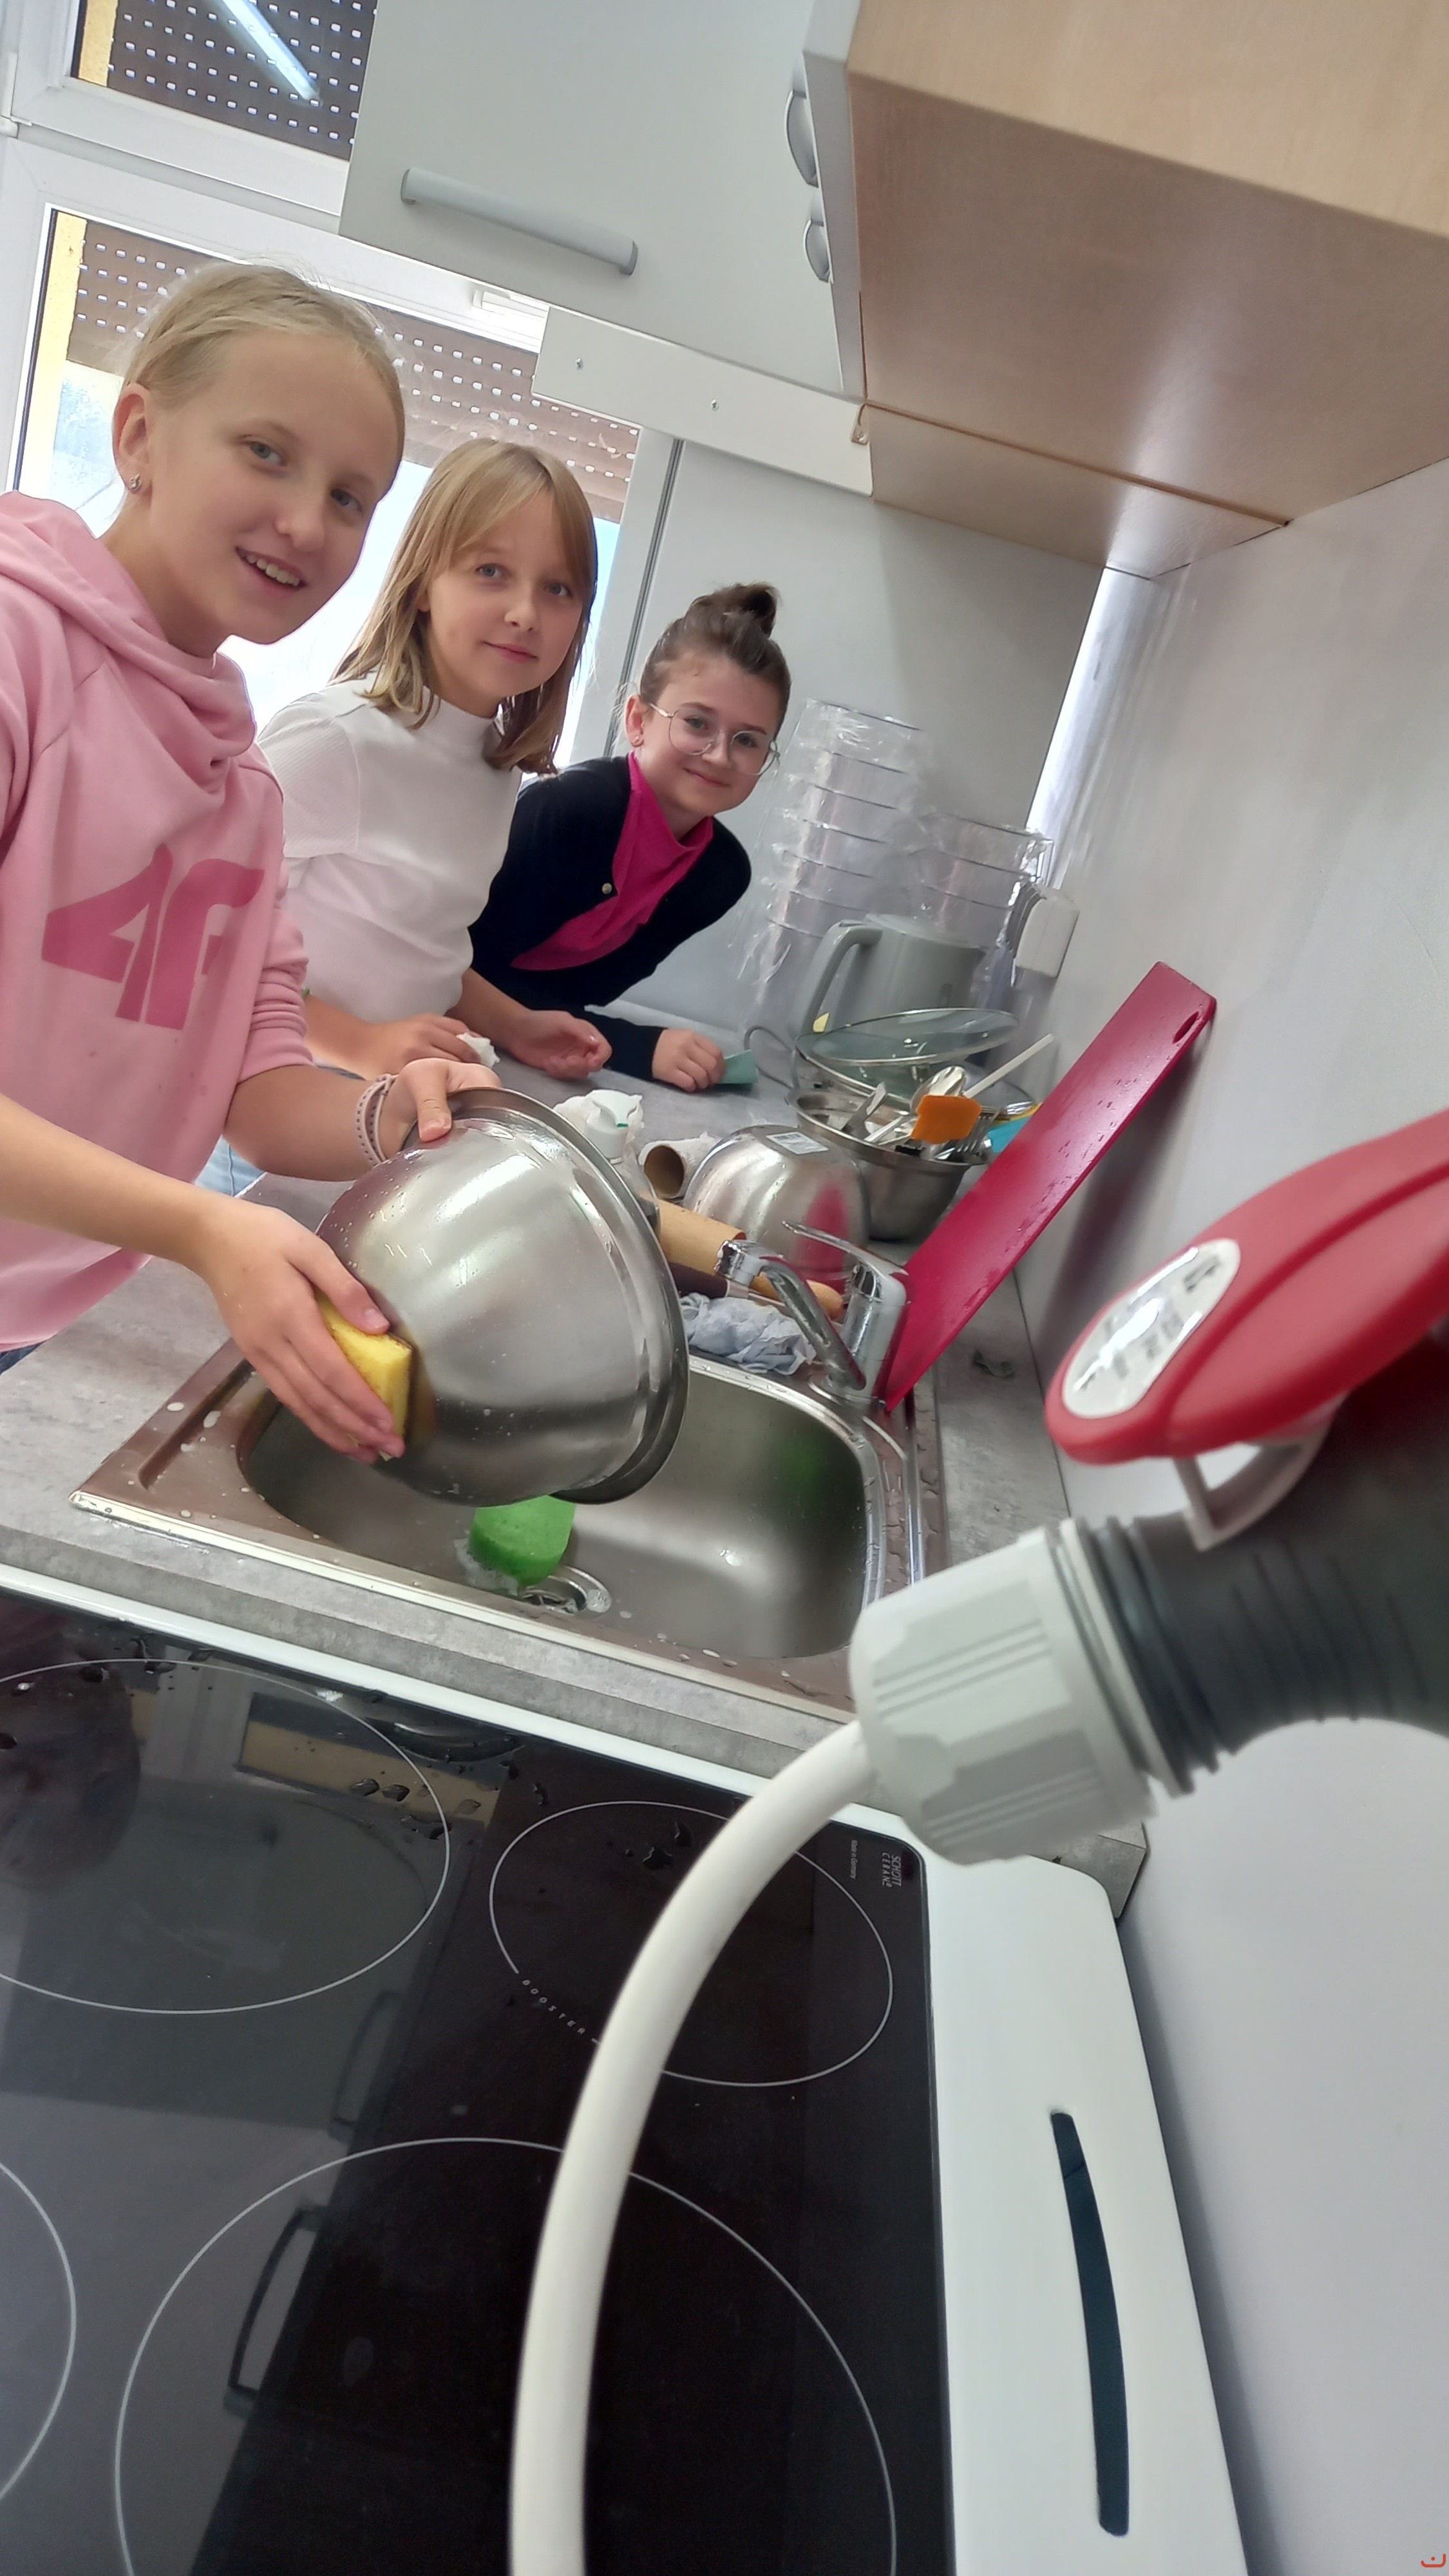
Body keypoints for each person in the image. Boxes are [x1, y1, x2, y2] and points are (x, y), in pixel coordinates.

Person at [0, 261, 482, 1457]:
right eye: (267, 452)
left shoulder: (243, 785)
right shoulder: (19, 658)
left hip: (46, 1329)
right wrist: (199, 1229)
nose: (308, 524)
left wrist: (392, 1117)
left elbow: (254, 1095)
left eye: (351, 497)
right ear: (138, 435)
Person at [254, 440, 611, 1098]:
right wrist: (358, 1043)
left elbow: (420, 949)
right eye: (490, 571)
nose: (525, 613)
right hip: (271, 1098)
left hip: (384, 1101)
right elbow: (203, 938)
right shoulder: (334, 740)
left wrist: (516, 1025)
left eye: (557, 588)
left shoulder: (496, 769)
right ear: (422, 584)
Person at [468, 583, 790, 1091]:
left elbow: (569, 996)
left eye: (747, 740)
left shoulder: (720, 875)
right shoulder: (569, 810)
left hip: (513, 1056)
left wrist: (594, 1038)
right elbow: (454, 965)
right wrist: (637, 1047)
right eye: (697, 722)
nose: (720, 755)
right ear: (638, 720)